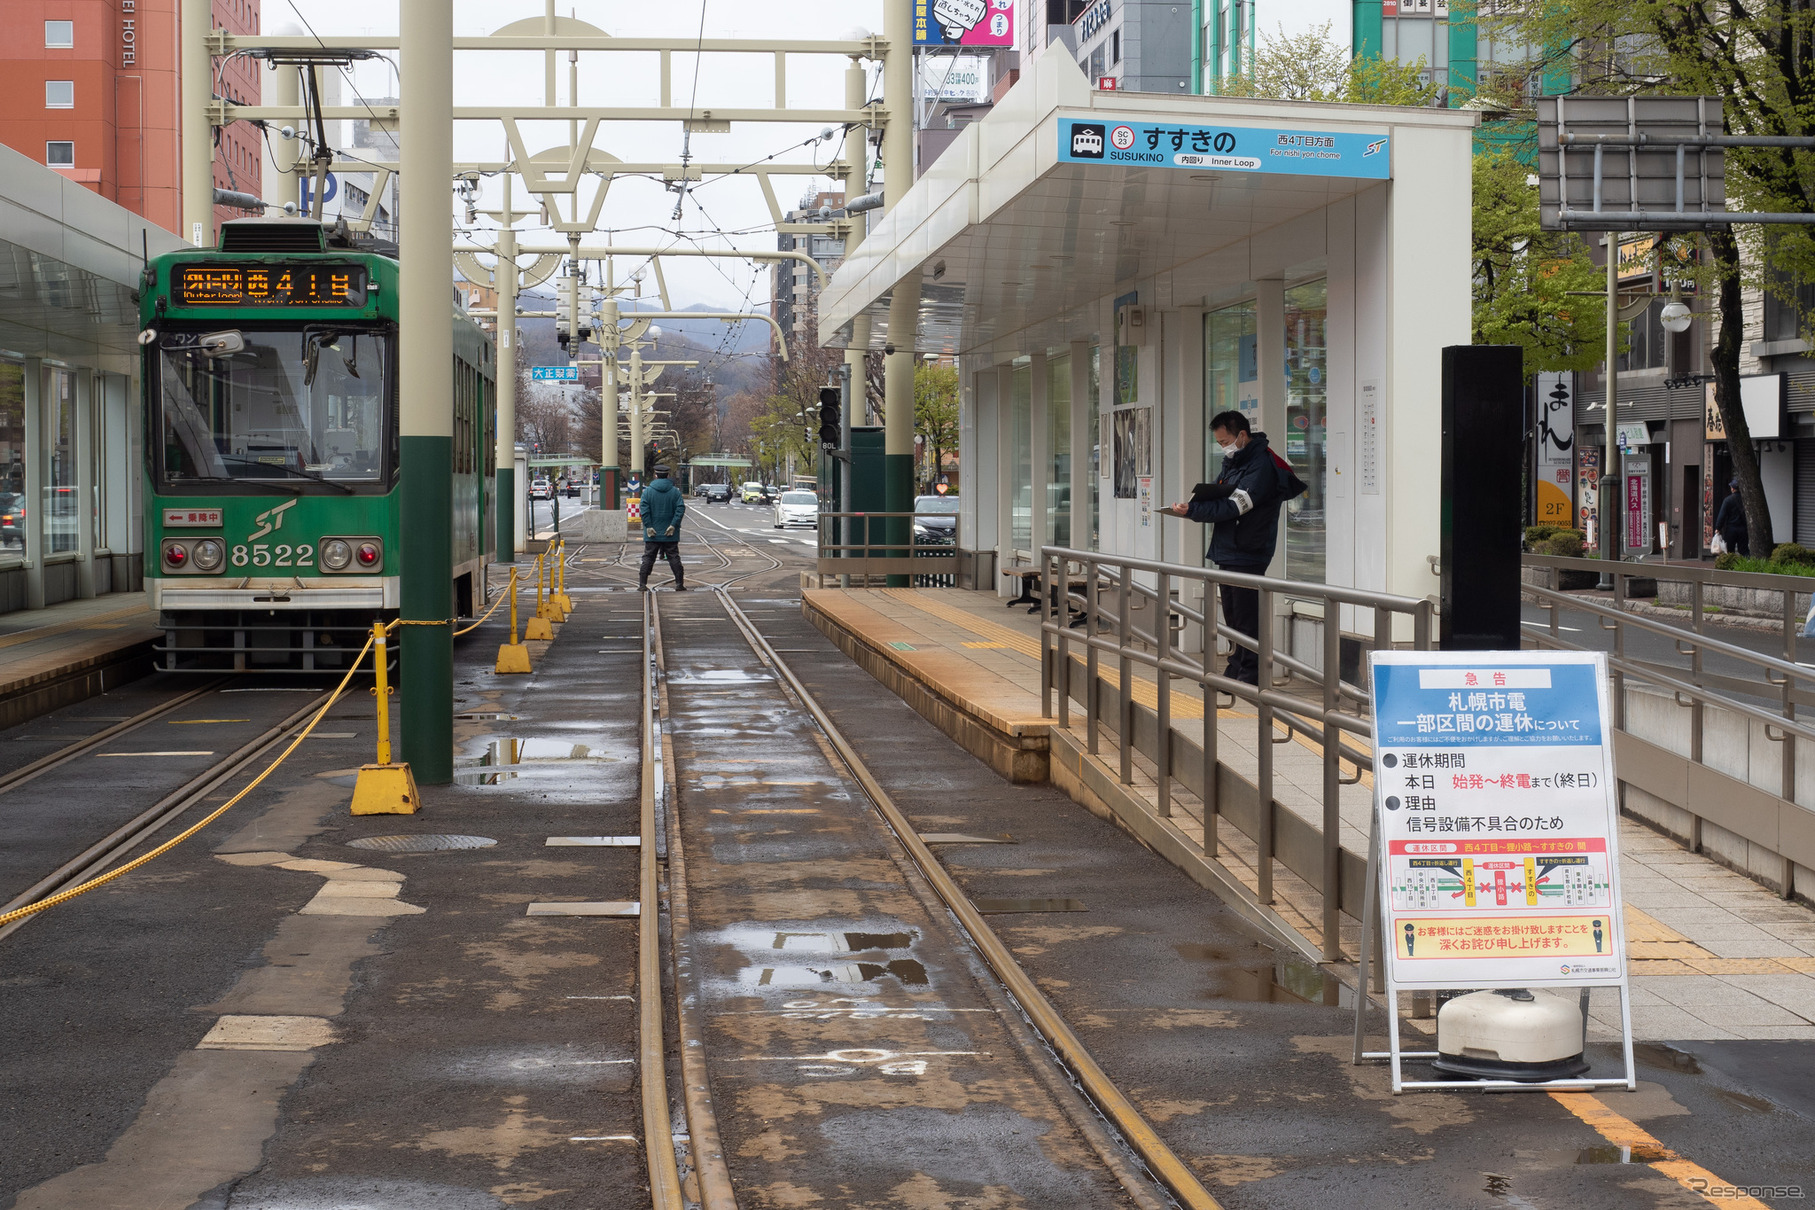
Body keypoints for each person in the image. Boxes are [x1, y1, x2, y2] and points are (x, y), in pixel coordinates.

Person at [1164, 411, 1305, 686]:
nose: (1223, 447)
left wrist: (1193, 509)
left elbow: (1235, 505)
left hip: (1249, 548)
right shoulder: (1235, 460)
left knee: (1246, 616)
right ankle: (1236, 668)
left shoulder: (1261, 465)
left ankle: (1250, 675)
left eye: (1225, 441)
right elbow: (1221, 495)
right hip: (1229, 547)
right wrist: (1192, 507)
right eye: (1218, 443)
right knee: (1232, 615)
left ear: (1242, 435)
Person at [638, 464, 687, 591]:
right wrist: (673, 525)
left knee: (648, 557)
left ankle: (642, 584)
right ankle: (679, 584)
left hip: (652, 533)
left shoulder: (647, 492)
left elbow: (644, 510)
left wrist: (648, 526)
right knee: (674, 557)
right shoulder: (675, 492)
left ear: (655, 475)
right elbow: (680, 509)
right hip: (670, 533)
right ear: (668, 476)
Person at [1713, 478, 1748, 557]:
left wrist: (1718, 528)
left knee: (1729, 550)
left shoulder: (1728, 500)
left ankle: (1731, 566)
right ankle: (1747, 565)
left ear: (1732, 488)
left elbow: (1722, 515)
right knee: (1744, 550)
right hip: (1743, 528)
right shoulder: (1746, 500)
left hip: (1731, 529)